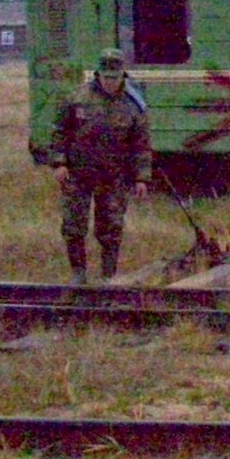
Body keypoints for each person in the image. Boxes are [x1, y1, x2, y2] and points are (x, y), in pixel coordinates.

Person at [49, 48, 150, 285]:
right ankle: (78, 273)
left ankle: (108, 275)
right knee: (74, 225)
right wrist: (59, 163)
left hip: (114, 176)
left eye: (114, 78)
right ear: (98, 75)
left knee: (111, 227)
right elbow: (59, 133)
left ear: (122, 76)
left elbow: (141, 145)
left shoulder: (134, 105)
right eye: (106, 77)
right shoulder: (77, 98)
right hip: (78, 173)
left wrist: (141, 178)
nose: (110, 82)